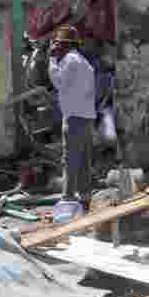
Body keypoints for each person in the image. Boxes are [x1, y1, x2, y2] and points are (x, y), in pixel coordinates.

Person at [49, 25, 96, 208]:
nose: (56, 47)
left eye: (58, 44)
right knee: (84, 159)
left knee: (69, 159)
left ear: (66, 45)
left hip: (74, 117)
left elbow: (58, 81)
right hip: (86, 116)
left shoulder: (69, 60)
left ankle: (68, 197)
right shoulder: (84, 63)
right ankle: (85, 197)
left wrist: (52, 59)